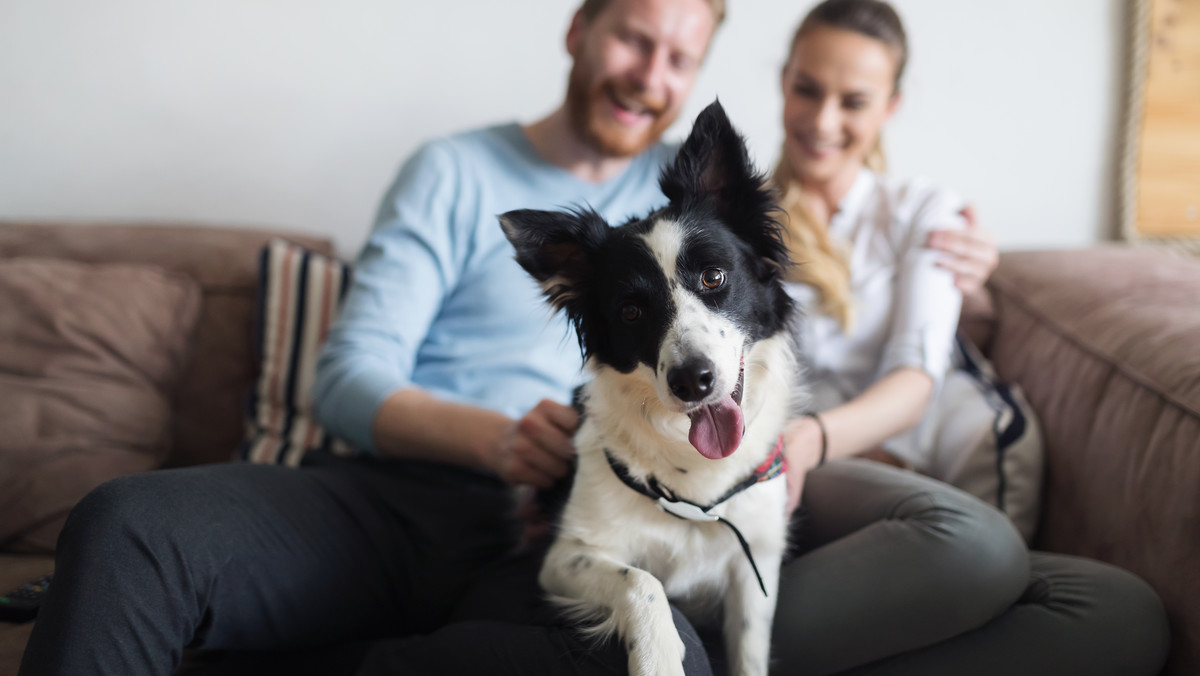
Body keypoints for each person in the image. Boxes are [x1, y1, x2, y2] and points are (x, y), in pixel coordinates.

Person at [13, 1, 1020, 675]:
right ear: (579, 28)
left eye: (680, 57)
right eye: (633, 36)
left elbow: (802, 230)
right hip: (389, 496)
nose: (650, 75)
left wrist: (966, 258)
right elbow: (348, 372)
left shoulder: (689, 195)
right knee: (126, 524)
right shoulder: (454, 170)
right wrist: (491, 440)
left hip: (574, 534)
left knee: (668, 656)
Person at [765, 1, 1169, 674]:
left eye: (853, 101)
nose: (822, 121)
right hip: (797, 478)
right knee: (973, 546)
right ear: (784, 80)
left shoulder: (925, 211)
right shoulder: (736, 221)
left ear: (891, 106)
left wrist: (819, 436)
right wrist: (804, 444)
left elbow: (915, 382)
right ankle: (734, 650)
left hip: (866, 465)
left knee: (1124, 611)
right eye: (807, 89)